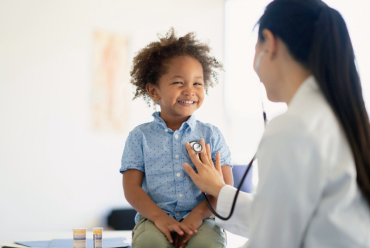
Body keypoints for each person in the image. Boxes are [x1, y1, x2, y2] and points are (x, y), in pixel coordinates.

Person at [183, 0, 370, 247]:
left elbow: (272, 239)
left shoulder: (293, 128)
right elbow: (289, 214)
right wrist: (220, 189)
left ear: (269, 44)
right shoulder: (340, 117)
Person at [120, 28, 233, 248]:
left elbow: (225, 186)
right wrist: (160, 218)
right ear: (154, 91)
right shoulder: (139, 136)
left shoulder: (212, 135)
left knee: (207, 245)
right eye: (179, 82)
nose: (190, 90)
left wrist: (196, 217)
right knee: (149, 244)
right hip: (154, 218)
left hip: (203, 217)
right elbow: (132, 188)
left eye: (197, 83)